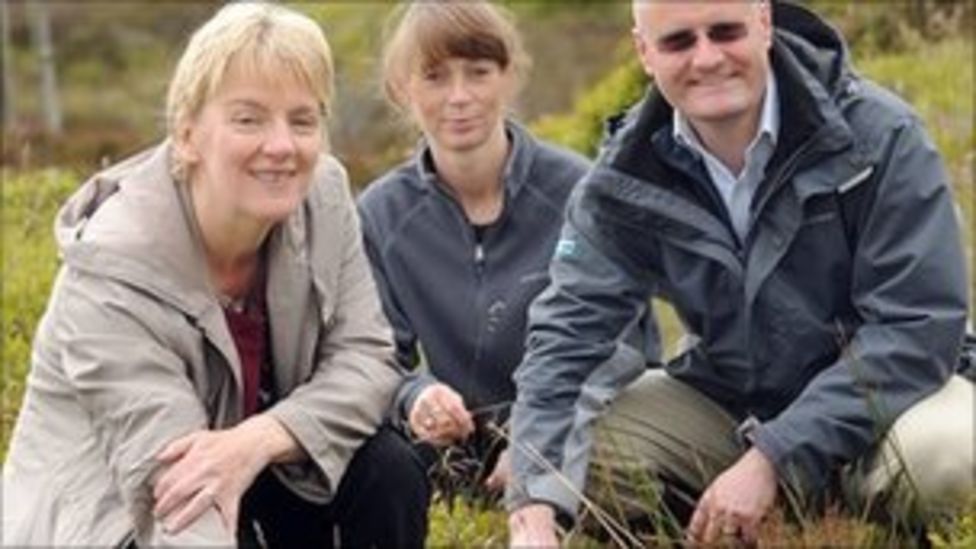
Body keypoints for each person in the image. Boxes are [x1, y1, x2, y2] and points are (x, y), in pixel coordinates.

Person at [507, 0, 973, 545]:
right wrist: (533, 506)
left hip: (891, 403)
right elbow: (566, 338)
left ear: (764, 23)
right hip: (736, 402)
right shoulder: (624, 175)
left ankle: (852, 516)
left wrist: (775, 457)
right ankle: (753, 516)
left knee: (953, 455)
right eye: (678, 42)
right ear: (644, 51)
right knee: (574, 456)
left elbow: (917, 326)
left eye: (725, 31)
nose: (707, 58)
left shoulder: (881, 134)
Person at [2, 3, 428, 547]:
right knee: (201, 500)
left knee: (386, 469)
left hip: (248, 464)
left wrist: (258, 440)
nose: (281, 146)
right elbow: (177, 490)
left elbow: (366, 358)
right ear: (187, 136)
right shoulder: (112, 271)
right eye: (248, 119)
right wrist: (238, 454)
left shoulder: (322, 193)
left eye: (302, 120)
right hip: (120, 509)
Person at [357, 1, 645, 502]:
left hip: (584, 432)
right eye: (435, 77)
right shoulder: (380, 214)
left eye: (478, 73)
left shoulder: (578, 189)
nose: (459, 97)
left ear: (509, 78)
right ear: (403, 90)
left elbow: (631, 344)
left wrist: (539, 430)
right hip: (450, 459)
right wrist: (416, 395)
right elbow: (372, 356)